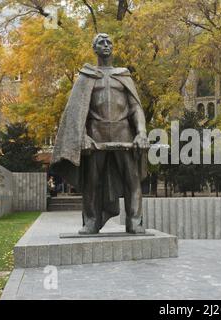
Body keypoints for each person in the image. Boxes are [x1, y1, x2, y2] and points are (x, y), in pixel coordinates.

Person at [50, 33, 149, 234]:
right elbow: (77, 112)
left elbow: (135, 108)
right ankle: (91, 222)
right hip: (96, 133)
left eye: (108, 42)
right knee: (92, 181)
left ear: (113, 47)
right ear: (94, 49)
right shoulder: (86, 77)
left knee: (133, 178)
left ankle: (135, 222)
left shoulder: (123, 75)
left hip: (124, 133)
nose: (105, 45)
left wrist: (141, 132)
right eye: (100, 43)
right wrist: (82, 136)